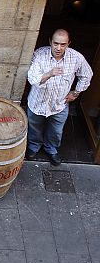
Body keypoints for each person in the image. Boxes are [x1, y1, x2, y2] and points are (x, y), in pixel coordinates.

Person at [26, 29, 93, 166]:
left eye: (63, 44)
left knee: (56, 131)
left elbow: (87, 75)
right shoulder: (39, 54)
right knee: (34, 127)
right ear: (50, 41)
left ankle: (51, 149)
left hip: (59, 104)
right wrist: (49, 73)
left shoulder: (76, 57)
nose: (58, 48)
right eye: (56, 43)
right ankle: (34, 146)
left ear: (68, 43)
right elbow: (32, 78)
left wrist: (76, 92)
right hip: (37, 102)